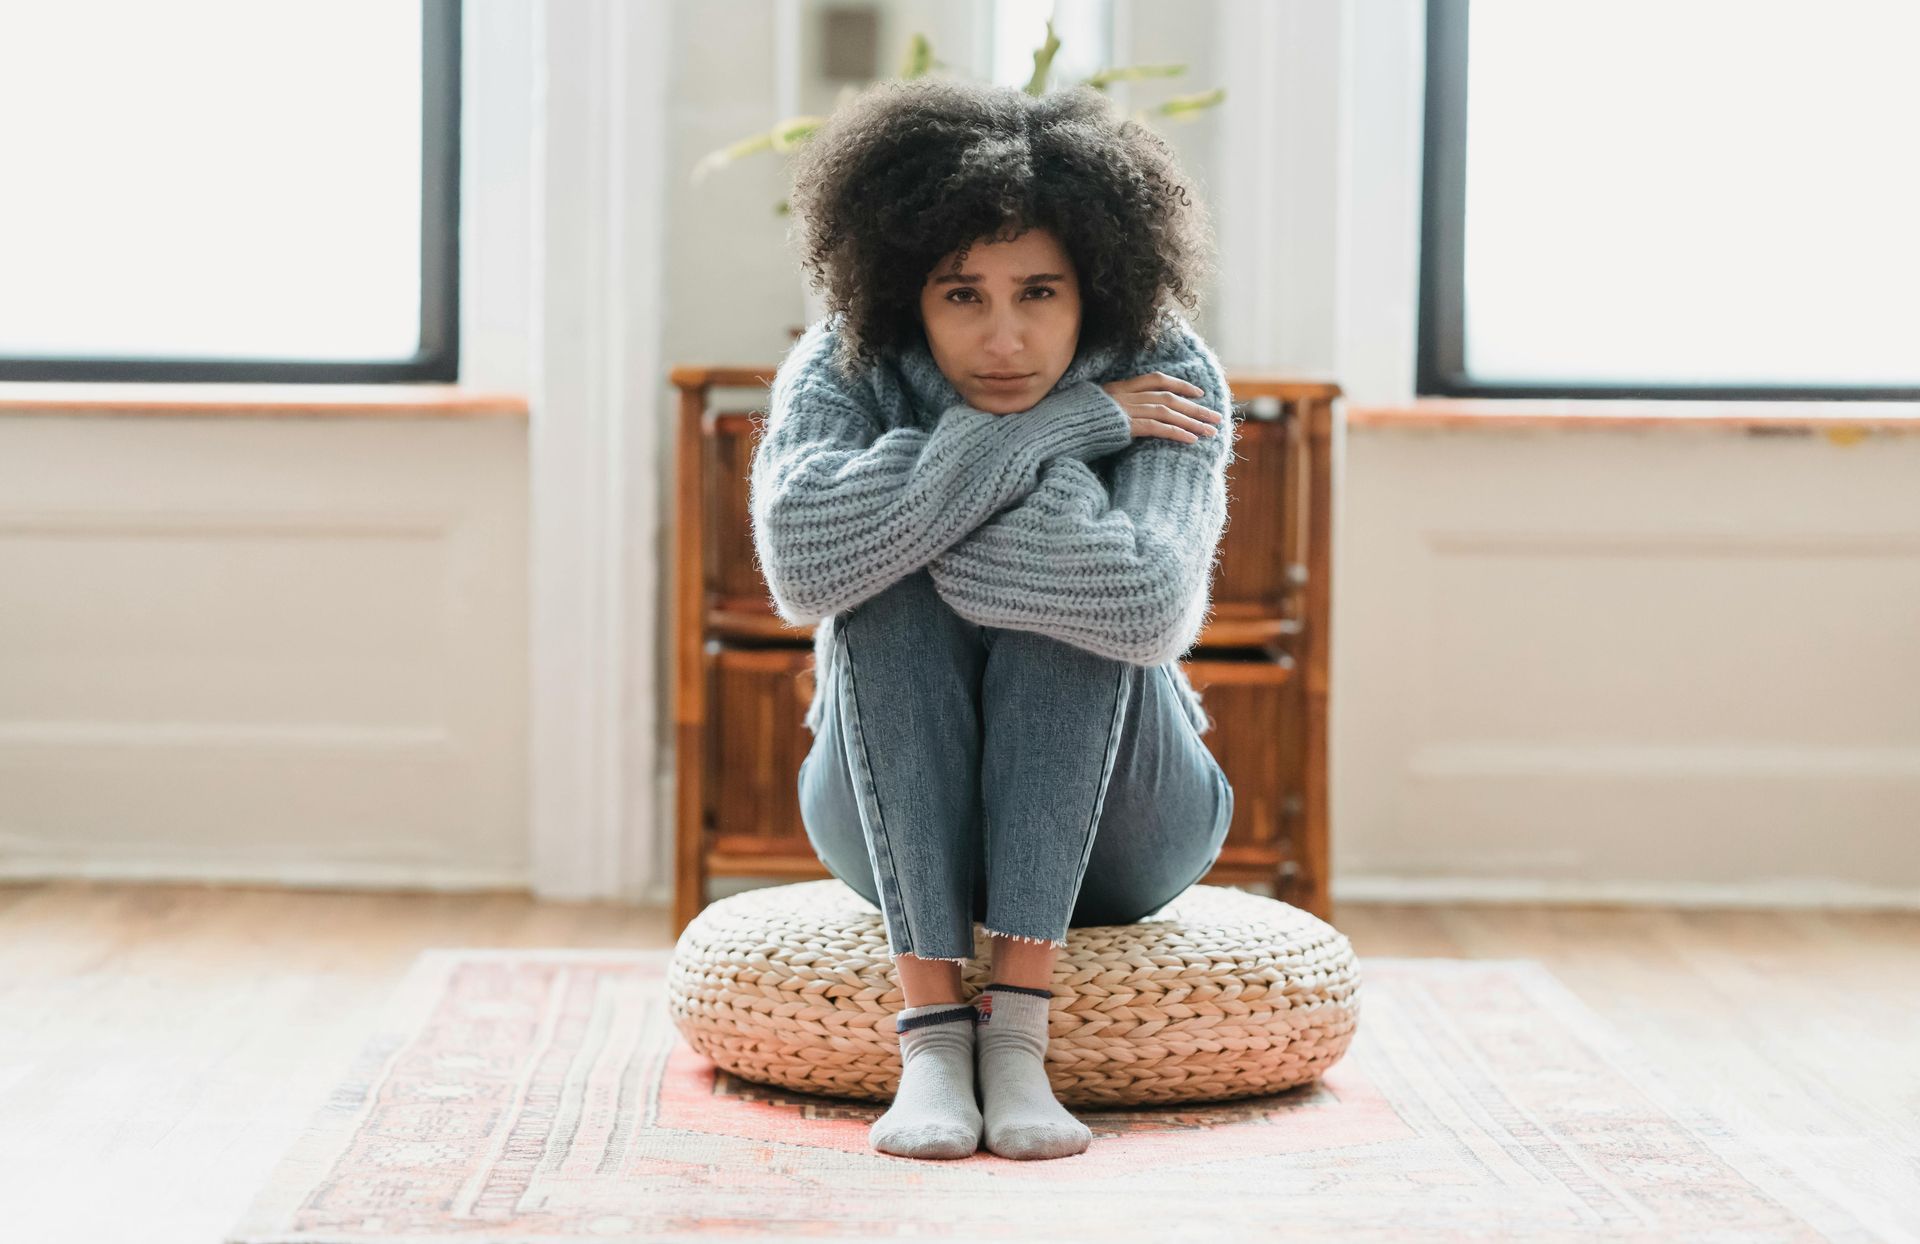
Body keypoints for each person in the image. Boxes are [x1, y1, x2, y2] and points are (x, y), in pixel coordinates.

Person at [749, 75, 1236, 1162]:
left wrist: (925, 510)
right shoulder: (846, 362)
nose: (1004, 337)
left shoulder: (1165, 366)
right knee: (883, 580)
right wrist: (1052, 434)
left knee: (1057, 594)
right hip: (881, 825)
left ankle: (1015, 1030)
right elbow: (801, 560)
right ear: (904, 291)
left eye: (1040, 292)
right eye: (963, 293)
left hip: (1135, 826)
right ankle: (933, 1035)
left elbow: (1147, 601)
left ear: (1096, 285)